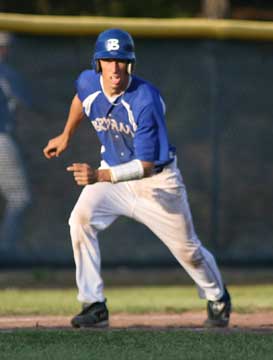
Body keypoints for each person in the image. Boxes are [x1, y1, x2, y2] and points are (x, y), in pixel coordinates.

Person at [43, 28, 231, 328]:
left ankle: (217, 295)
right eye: (108, 60)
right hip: (110, 176)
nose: (115, 67)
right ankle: (94, 304)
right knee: (80, 219)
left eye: (121, 60)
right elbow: (81, 98)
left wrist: (98, 175)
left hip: (157, 183)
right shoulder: (89, 81)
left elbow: (145, 166)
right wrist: (66, 134)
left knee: (188, 250)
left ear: (130, 63)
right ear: (98, 63)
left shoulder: (146, 100)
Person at [0, 32, 32, 254]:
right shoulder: (7, 75)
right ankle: (5, 252)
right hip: (1, 139)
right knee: (20, 197)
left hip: (6, 137)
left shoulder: (9, 75)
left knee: (19, 198)